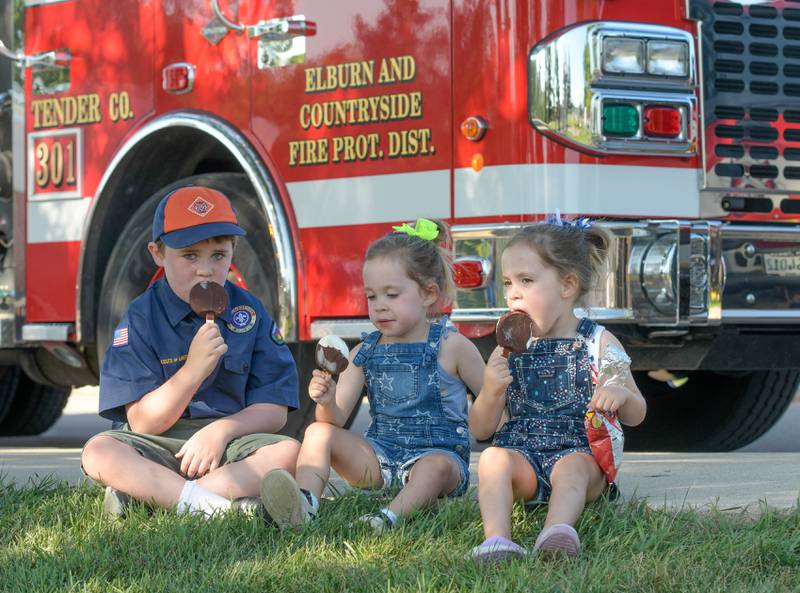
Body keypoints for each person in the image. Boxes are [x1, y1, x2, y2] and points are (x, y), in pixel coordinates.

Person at [80, 185, 300, 519]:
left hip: (229, 442)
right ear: (157, 253)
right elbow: (142, 422)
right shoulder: (141, 318)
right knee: (98, 452)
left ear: (233, 251)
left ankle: (154, 498)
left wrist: (221, 431)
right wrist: (192, 371)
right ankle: (218, 508)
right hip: (159, 442)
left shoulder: (249, 313)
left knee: (291, 452)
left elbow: (275, 409)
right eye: (190, 255)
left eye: (218, 255)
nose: (205, 269)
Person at [259, 218, 485, 532]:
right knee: (316, 433)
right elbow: (335, 420)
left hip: (439, 457)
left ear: (429, 294)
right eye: (372, 296)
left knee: (435, 467)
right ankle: (305, 502)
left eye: (392, 295)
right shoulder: (365, 351)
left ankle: (386, 518)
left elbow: (490, 405)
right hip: (380, 460)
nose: (379, 306)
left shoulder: (452, 346)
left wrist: (499, 392)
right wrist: (325, 401)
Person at [469, 219, 646, 561]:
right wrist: (490, 391)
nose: (513, 293)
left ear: (567, 286)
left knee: (572, 468)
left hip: (581, 458)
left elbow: (638, 413)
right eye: (508, 283)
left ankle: (556, 533)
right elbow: (481, 430)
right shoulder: (506, 349)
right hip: (524, 460)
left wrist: (620, 394)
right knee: (492, 458)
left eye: (526, 281)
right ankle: (497, 541)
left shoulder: (598, 341)